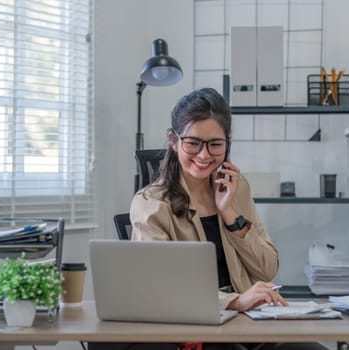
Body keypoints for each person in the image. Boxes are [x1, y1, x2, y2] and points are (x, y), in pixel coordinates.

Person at [130, 88, 328, 350]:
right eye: (193, 143)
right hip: (195, 329)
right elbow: (162, 289)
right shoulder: (151, 203)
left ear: (227, 143)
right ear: (173, 140)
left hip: (249, 324)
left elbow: (267, 269)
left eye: (215, 144)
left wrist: (230, 213)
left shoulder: (237, 188)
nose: (204, 155)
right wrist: (234, 301)